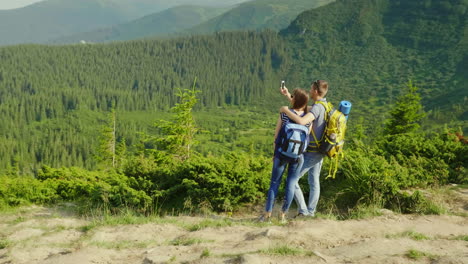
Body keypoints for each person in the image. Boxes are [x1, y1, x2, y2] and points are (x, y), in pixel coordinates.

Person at [260, 88, 311, 223]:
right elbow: (307, 139)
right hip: (297, 157)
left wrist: (275, 153)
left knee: (274, 183)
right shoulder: (308, 119)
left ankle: (267, 214)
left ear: (294, 100)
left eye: (293, 96)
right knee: (291, 184)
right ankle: (283, 215)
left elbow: (276, 135)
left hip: (281, 154)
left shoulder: (285, 115)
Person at [279, 80, 329, 217]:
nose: (310, 90)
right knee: (314, 181)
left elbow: (302, 120)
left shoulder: (318, 108)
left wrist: (285, 111)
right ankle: (311, 212)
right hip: (321, 150)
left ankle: (304, 211)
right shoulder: (324, 105)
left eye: (311, 89)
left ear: (316, 91)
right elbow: (302, 108)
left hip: (312, 152)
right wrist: (289, 95)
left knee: (292, 180)